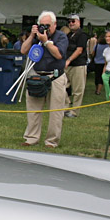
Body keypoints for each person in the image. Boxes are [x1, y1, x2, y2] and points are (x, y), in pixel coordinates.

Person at [19, 10, 68, 148]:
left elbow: (59, 55)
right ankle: (31, 138)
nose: (45, 28)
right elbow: (23, 50)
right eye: (42, 25)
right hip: (37, 75)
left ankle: (51, 141)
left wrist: (46, 41)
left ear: (54, 24)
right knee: (33, 109)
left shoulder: (61, 37)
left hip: (55, 76)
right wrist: (32, 35)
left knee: (55, 111)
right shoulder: (37, 36)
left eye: (47, 25)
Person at [64, 14, 89, 118]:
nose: (71, 23)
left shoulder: (82, 35)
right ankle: (65, 107)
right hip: (67, 66)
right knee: (62, 86)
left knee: (78, 90)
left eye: (73, 21)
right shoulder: (69, 35)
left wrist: (69, 60)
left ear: (78, 22)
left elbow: (79, 50)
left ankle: (74, 111)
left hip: (78, 65)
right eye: (69, 21)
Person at [91, 30, 106, 94]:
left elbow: (92, 53)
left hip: (97, 62)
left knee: (97, 76)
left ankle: (96, 88)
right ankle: (99, 90)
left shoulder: (97, 46)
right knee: (101, 77)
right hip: (104, 63)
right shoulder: (107, 46)